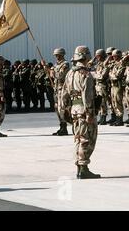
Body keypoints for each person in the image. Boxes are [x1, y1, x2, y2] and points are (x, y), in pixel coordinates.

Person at [62, 46, 100, 179]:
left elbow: (64, 94)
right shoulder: (86, 74)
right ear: (86, 57)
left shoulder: (70, 73)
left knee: (78, 138)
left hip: (74, 109)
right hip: (84, 110)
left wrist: (64, 110)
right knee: (88, 138)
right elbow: (87, 95)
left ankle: (79, 167)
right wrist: (90, 113)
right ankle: (83, 168)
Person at [52, 48, 70, 136]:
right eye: (56, 55)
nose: (56, 57)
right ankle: (61, 126)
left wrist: (52, 72)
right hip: (56, 89)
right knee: (57, 108)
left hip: (62, 89)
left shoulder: (65, 64)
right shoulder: (56, 65)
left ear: (62, 55)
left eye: (58, 55)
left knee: (61, 108)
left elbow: (60, 75)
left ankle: (64, 127)